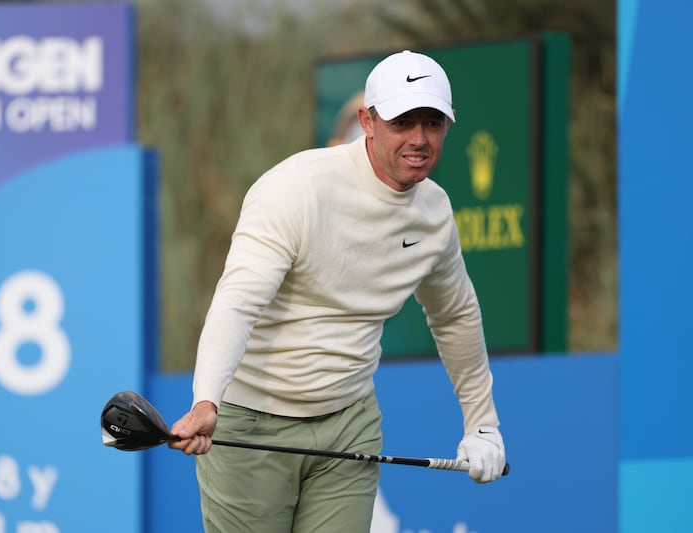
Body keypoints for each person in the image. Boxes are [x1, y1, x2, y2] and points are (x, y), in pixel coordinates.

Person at [169, 50, 507, 533]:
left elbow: (455, 317)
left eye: (432, 123)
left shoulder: (434, 212)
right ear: (367, 121)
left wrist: (482, 424)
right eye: (402, 122)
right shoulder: (294, 189)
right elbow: (238, 302)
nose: (419, 139)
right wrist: (207, 401)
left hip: (349, 423)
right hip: (249, 421)